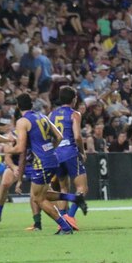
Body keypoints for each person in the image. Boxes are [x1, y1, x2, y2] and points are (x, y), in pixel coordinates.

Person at [6, 92, 75, 234]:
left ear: (18, 107)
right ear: (31, 105)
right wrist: (50, 149)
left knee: (38, 198)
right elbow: (59, 136)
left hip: (41, 163)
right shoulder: (42, 116)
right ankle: (73, 198)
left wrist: (8, 149)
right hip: (52, 159)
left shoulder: (22, 122)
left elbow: (20, 148)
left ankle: (65, 227)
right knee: (43, 194)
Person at [49, 86, 89, 222]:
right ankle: (70, 218)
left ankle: (62, 219)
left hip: (56, 155)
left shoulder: (51, 114)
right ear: (74, 99)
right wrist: (82, 152)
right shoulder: (75, 114)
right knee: (82, 187)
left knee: (63, 188)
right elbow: (77, 136)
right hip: (70, 153)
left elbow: (50, 136)